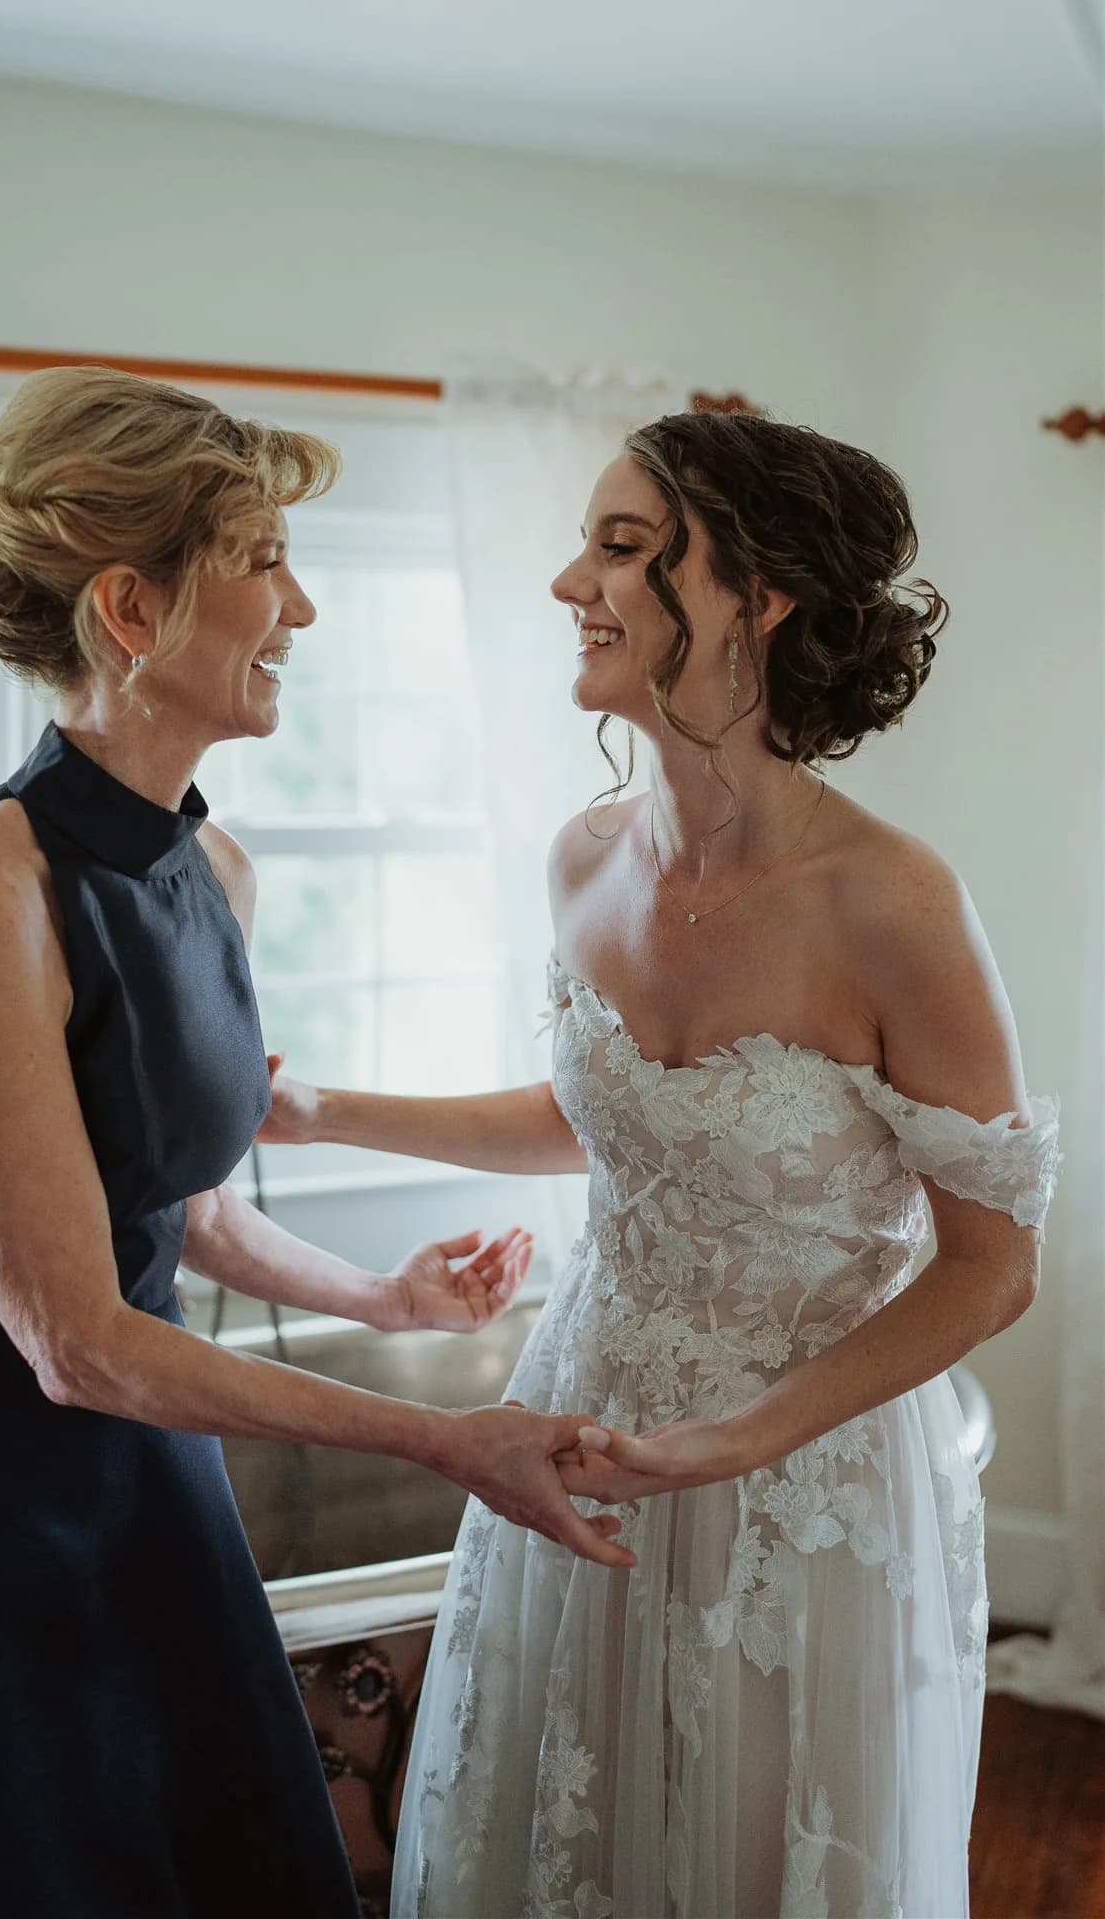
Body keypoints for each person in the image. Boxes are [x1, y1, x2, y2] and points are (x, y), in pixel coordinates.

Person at [0, 367, 629, 1919]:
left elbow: (180, 1206)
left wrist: (381, 1301)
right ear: (134, 612)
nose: (300, 609)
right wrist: (444, 1437)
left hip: (151, 1476)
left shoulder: (212, 863)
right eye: (264, 561)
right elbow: (76, 1341)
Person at [260, 412, 1063, 1919]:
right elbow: (607, 1118)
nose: (572, 579)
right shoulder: (582, 855)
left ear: (757, 596)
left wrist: (745, 1436)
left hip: (806, 1476)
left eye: (623, 548)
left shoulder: (891, 900)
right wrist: (319, 1112)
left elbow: (990, 1264)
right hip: (581, 1417)